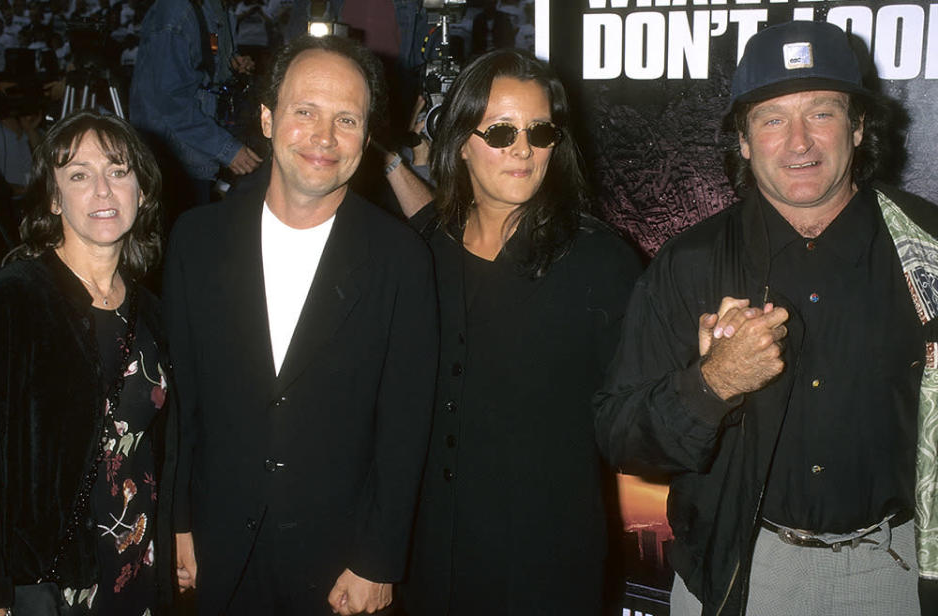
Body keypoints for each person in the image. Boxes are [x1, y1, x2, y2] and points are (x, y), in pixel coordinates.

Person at [594, 20, 938, 616]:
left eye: (822, 114)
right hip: (744, 571)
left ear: (859, 126)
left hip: (897, 572)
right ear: (745, 141)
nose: (799, 142)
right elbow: (621, 437)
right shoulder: (690, 263)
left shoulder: (929, 249)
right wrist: (712, 386)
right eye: (773, 119)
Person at [161, 35, 437, 615]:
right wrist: (177, 520)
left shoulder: (401, 258)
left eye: (346, 119)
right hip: (216, 549)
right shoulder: (195, 239)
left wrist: (379, 559)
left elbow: (407, 425)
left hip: (339, 568)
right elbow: (182, 399)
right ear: (267, 117)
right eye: (305, 111)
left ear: (367, 135)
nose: (323, 138)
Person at [398, 48, 641, 616]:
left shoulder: (600, 262)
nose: (524, 150)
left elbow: (635, 420)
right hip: (430, 557)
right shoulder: (420, 248)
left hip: (542, 563)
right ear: (460, 138)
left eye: (541, 131)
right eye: (502, 131)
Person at [0, 111, 174, 616]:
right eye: (79, 175)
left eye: (118, 170)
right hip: (48, 582)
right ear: (53, 197)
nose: (103, 191)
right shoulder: (13, 299)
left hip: (137, 564)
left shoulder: (153, 312)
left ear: (143, 190)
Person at [129, 0, 262, 209]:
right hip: (174, 159)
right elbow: (170, 101)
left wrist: (234, 62)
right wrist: (227, 150)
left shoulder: (218, 9)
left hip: (198, 153)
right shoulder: (176, 13)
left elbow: (210, 60)